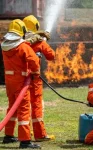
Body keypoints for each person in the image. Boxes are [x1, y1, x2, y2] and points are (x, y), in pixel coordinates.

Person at [1, 19, 41, 149]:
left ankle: (8, 135)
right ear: (22, 31)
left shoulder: (4, 45)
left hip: (9, 82)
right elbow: (33, 60)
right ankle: (25, 141)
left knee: (12, 107)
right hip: (21, 83)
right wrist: (35, 74)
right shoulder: (23, 46)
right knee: (23, 110)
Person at [23, 15, 55, 141]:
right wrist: (43, 44)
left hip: (20, 79)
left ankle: (24, 132)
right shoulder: (40, 42)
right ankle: (40, 134)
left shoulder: (19, 41)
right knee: (36, 105)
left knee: (23, 106)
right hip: (34, 79)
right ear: (36, 26)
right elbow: (52, 56)